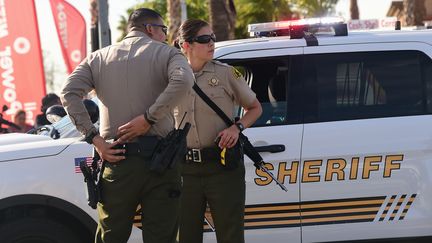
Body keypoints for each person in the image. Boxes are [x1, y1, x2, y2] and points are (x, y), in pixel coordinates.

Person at [60, 8, 194, 243]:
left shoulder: (98, 57)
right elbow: (184, 79)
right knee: (162, 237)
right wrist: (149, 118)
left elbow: (68, 93)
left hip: (117, 159)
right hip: (161, 162)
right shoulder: (168, 54)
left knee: (111, 236)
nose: (164, 35)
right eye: (163, 30)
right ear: (150, 28)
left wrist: (95, 139)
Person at [175, 19, 262, 243]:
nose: (212, 43)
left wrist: (237, 127)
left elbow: (255, 108)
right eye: (204, 39)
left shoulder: (226, 74)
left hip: (222, 168)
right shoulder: (172, 77)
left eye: (213, 37)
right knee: (185, 236)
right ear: (186, 45)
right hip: (184, 170)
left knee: (230, 235)